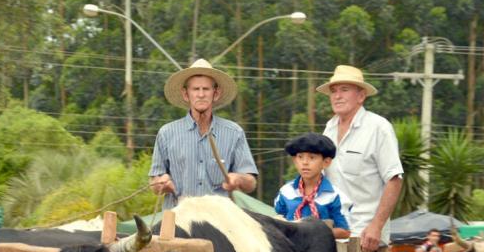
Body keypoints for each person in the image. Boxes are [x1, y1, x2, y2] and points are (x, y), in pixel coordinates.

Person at [318, 64, 403, 252]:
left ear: (361, 96)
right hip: (334, 235)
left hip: (365, 237)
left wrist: (376, 226)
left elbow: (394, 180)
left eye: (344, 89)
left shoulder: (378, 128)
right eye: (333, 91)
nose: (337, 96)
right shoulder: (329, 129)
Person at [149, 59, 257, 207]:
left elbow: (251, 183)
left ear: (216, 93)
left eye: (206, 89)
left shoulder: (234, 133)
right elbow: (154, 184)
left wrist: (238, 179)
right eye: (195, 89)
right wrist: (161, 183)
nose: (201, 94)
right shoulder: (166, 133)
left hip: (219, 217)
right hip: (179, 216)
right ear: (186, 94)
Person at [273, 133, 350, 237]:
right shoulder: (286, 192)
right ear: (295, 161)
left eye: (312, 157)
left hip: (321, 246)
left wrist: (311, 233)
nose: (305, 162)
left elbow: (344, 231)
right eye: (300, 157)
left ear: (326, 162)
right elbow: (279, 221)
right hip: (290, 246)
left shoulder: (335, 196)